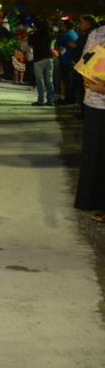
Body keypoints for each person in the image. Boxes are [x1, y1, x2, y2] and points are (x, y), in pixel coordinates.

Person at [75, 23, 105, 221]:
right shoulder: (99, 33)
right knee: (97, 157)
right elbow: (85, 65)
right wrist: (92, 83)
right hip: (97, 106)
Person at [28, 18, 55, 106]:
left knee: (40, 80)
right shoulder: (48, 34)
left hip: (38, 59)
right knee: (49, 80)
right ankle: (50, 100)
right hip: (49, 58)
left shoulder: (33, 35)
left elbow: (29, 46)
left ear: (35, 26)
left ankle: (41, 100)